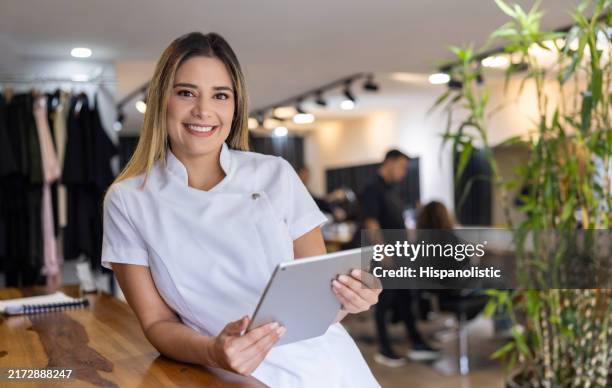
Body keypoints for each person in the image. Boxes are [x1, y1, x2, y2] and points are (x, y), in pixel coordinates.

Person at [101, 32, 380, 387]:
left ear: (235, 106)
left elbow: (321, 301)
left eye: (220, 95)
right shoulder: (128, 200)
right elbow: (156, 324)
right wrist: (214, 352)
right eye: (186, 92)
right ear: (161, 100)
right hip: (233, 374)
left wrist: (350, 299)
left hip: (330, 365)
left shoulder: (276, 174)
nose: (204, 111)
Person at [360, 149, 440, 367]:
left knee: (406, 298)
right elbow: (371, 222)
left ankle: (416, 342)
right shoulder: (372, 189)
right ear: (390, 162)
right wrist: (383, 252)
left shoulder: (393, 191)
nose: (404, 172)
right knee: (384, 301)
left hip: (400, 254)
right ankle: (384, 349)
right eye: (402, 167)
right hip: (385, 256)